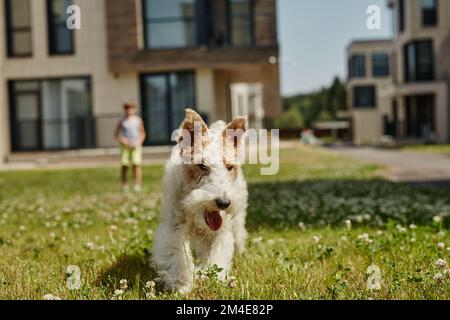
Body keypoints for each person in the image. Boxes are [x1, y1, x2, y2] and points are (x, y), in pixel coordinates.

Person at [114, 102, 146, 192]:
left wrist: (138, 142)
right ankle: (125, 185)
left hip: (135, 145)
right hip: (125, 146)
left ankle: (137, 185)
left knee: (136, 165)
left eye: (131, 108)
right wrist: (123, 140)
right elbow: (116, 134)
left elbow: (142, 133)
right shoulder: (121, 120)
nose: (129, 110)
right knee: (124, 165)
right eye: (127, 108)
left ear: (134, 109)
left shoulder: (138, 120)